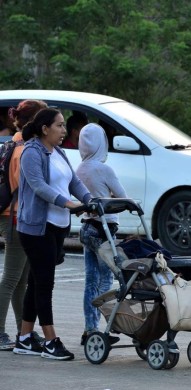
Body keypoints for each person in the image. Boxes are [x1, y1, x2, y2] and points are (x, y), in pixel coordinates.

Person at [13, 107, 92, 360]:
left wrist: (90, 200)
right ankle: (50, 341)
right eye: (59, 125)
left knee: (36, 282)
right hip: (37, 228)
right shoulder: (31, 152)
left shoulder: (57, 151)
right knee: (45, 284)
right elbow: (39, 186)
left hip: (58, 227)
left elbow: (73, 182)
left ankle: (24, 338)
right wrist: (68, 204)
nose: (64, 130)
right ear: (45, 128)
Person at [0, 100, 47, 350]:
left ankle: (23, 331)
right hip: (16, 216)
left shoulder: (14, 142)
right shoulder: (24, 149)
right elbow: (27, 188)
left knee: (20, 279)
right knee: (11, 278)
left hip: (13, 214)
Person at [76, 123, 127, 346]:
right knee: (106, 279)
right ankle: (105, 327)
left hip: (87, 228)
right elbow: (122, 197)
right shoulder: (103, 169)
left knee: (90, 281)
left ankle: (90, 328)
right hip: (104, 229)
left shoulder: (80, 169)